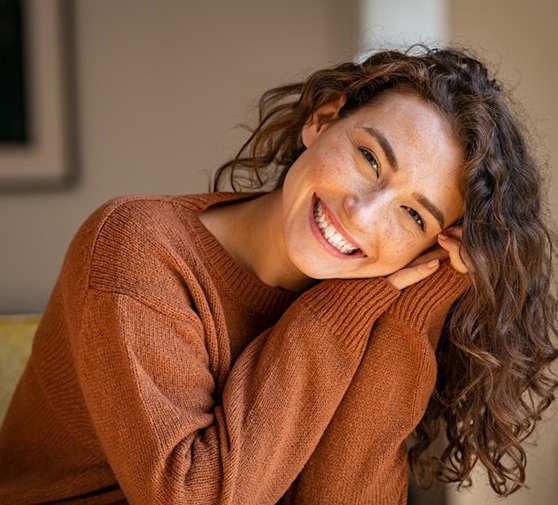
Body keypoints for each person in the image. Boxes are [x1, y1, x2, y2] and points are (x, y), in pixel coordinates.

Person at [0, 45, 556, 504]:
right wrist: (338, 311)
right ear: (322, 120)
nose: (362, 215)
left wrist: (415, 306)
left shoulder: (377, 293)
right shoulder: (138, 245)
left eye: (412, 214)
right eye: (368, 158)